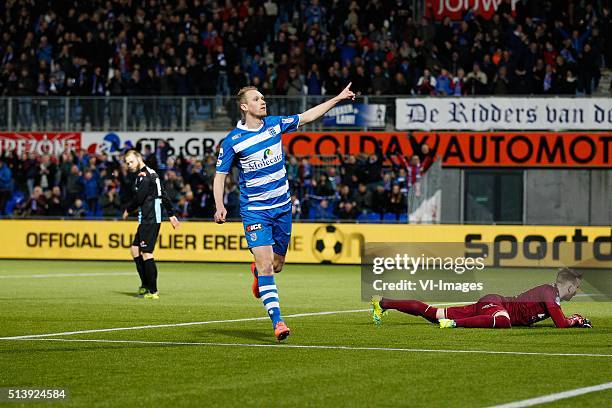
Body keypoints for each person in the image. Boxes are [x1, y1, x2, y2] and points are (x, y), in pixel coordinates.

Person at [213, 83, 355, 341]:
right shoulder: (233, 141)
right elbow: (220, 175)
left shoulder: (275, 124)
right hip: (255, 211)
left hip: (282, 208)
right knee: (267, 266)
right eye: (257, 99)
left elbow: (309, 115)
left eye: (263, 98)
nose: (263, 101)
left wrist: (337, 98)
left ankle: (257, 273)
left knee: (276, 265)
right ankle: (278, 322)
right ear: (245, 106)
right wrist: (220, 205)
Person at [372, 268, 592, 329]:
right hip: (495, 304)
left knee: (433, 314)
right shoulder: (549, 293)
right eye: (577, 287)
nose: (577, 291)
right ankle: (454, 324)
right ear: (570, 285)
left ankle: (382, 303)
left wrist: (573, 320)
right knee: (503, 321)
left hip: (490, 308)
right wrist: (576, 320)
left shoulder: (551, 294)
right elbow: (561, 324)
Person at [122, 150, 180, 299]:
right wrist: (171, 214)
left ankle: (153, 291)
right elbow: (163, 193)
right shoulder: (150, 173)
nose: (129, 165)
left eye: (131, 161)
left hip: (151, 218)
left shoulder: (145, 176)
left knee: (147, 253)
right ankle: (145, 285)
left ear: (139, 158)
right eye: (127, 163)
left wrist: (128, 210)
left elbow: (140, 198)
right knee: (135, 250)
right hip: (146, 218)